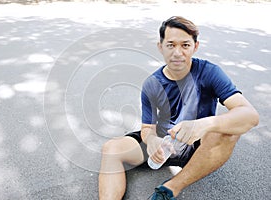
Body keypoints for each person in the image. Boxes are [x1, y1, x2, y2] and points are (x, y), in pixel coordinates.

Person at [98, 16, 259, 200]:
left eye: (185, 45)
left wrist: (202, 125)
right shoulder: (152, 83)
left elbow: (250, 115)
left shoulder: (210, 72)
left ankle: (170, 188)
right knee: (111, 149)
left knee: (228, 131)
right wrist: (151, 142)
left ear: (195, 47)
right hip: (164, 142)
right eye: (171, 45)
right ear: (161, 47)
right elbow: (147, 129)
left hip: (198, 145)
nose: (177, 53)